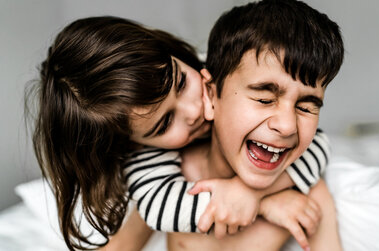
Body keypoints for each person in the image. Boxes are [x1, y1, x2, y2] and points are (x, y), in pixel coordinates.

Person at [27, 15, 330, 250]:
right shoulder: (145, 155)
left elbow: (317, 144)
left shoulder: (215, 73)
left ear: (175, 56)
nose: (194, 110)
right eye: (165, 123)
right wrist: (261, 201)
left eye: (182, 83)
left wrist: (251, 190)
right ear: (134, 143)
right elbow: (159, 209)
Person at [161, 0, 344, 251]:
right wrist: (262, 203)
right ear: (212, 96)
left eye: (305, 107)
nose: (287, 126)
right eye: (265, 99)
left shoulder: (310, 200)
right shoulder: (170, 178)